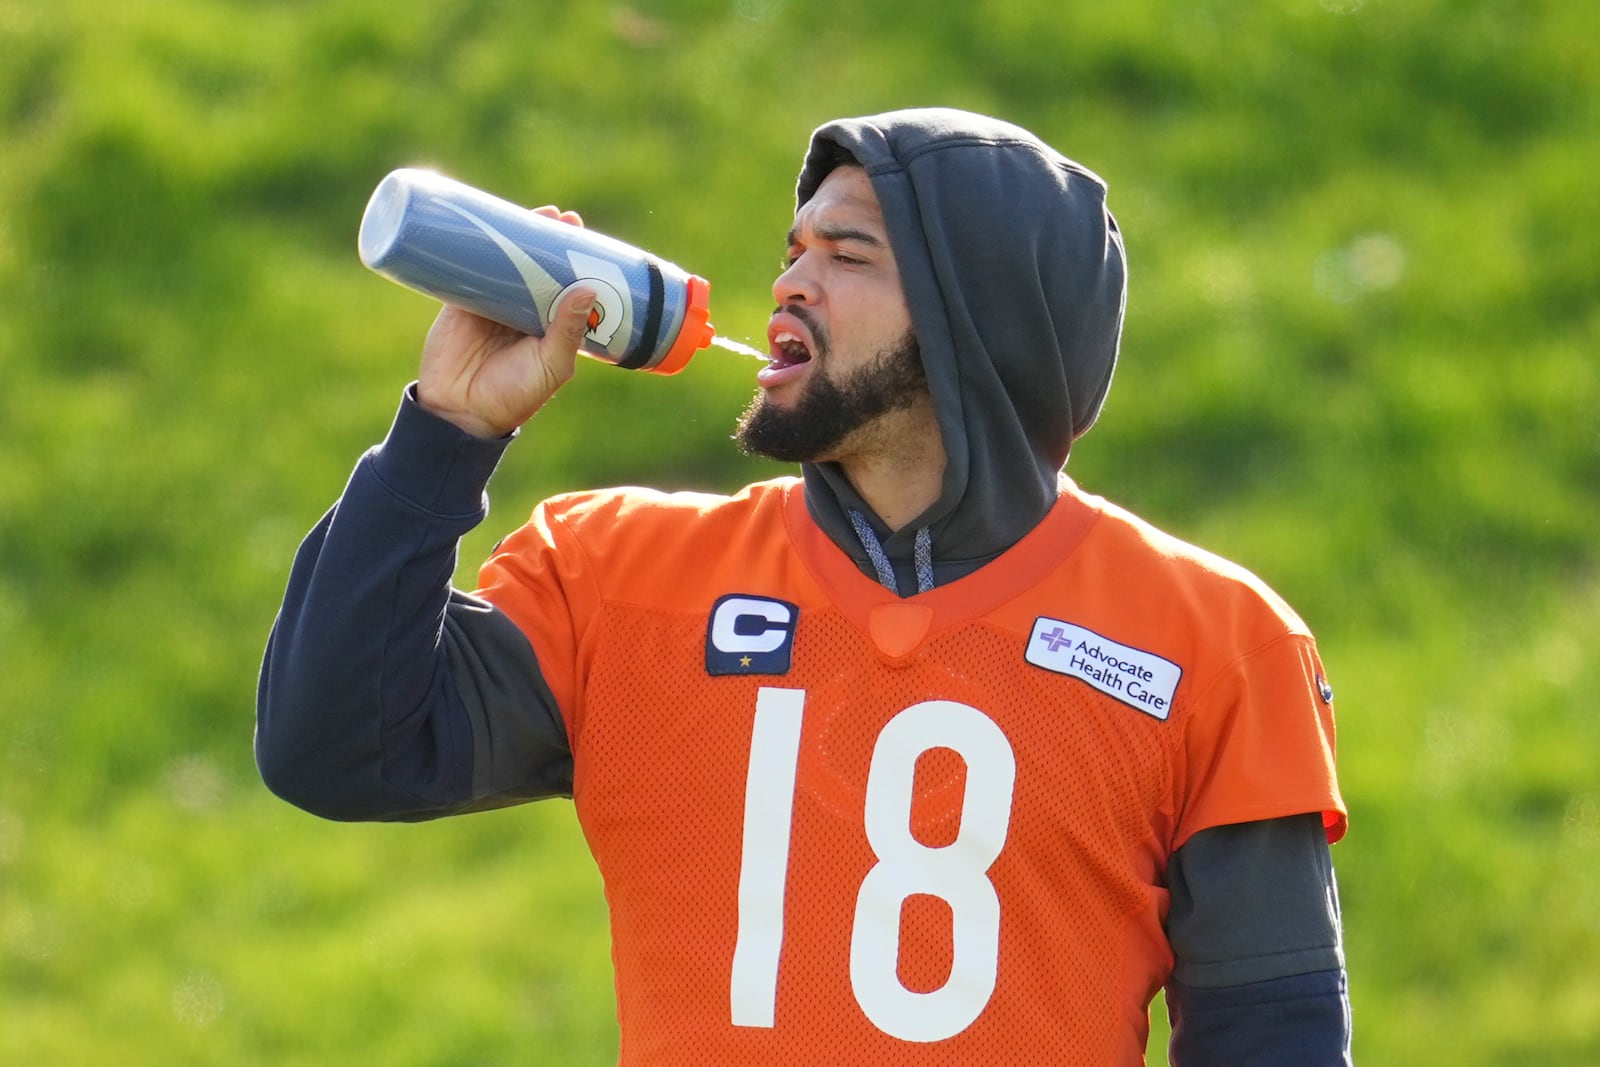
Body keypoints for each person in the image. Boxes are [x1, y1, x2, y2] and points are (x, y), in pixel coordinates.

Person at [257, 107, 1350, 1065]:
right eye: (792, 249)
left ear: (977, 319)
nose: (788, 281)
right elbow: (340, 746)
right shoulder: (617, 576)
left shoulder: (1216, 641)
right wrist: (446, 431)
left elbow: (1274, 1036)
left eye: (850, 254)